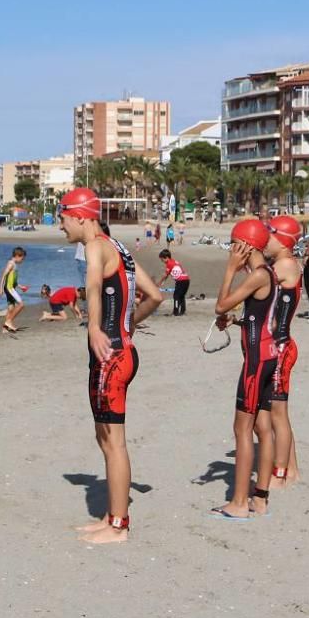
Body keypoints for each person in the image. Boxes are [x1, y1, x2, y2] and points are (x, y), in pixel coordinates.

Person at [57, 187, 162, 544]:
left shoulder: (94, 247)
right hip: (123, 351)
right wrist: (128, 326)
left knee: (113, 442)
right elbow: (155, 295)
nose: (60, 225)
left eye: (63, 218)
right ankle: (111, 517)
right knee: (107, 440)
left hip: (111, 358)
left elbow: (92, 290)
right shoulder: (119, 248)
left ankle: (119, 526)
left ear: (82, 217)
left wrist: (94, 329)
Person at [211, 220, 277, 520]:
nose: (231, 250)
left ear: (246, 247)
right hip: (267, 353)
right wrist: (238, 322)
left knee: (242, 429)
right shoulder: (268, 274)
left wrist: (228, 269)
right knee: (263, 428)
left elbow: (220, 305)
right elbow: (258, 317)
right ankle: (260, 498)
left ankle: (238, 502)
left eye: (233, 245)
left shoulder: (258, 275)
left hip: (256, 360)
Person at [265, 216, 303, 494]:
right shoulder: (276, 265)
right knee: (277, 415)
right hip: (276, 345)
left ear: (283, 240)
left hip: (280, 347)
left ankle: (280, 473)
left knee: (278, 414)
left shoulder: (285, 265)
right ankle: (292, 469)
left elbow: (259, 282)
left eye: (270, 236)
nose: (265, 240)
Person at [0, 247, 26, 333]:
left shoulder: (14, 264)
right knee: (21, 304)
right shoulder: (11, 264)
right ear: (17, 256)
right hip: (9, 288)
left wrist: (20, 286)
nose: (22, 261)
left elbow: (12, 279)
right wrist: (0, 288)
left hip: (11, 287)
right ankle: (8, 322)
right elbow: (4, 275)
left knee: (11, 308)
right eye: (22, 258)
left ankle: (5, 328)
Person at [156, 249, 190, 316]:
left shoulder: (169, 263)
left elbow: (165, 275)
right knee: (181, 296)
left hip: (181, 281)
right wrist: (163, 282)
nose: (162, 261)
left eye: (162, 259)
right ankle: (182, 311)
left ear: (166, 257)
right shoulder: (174, 261)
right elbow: (168, 274)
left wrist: (159, 283)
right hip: (186, 280)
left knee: (176, 296)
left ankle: (175, 312)